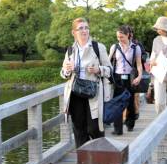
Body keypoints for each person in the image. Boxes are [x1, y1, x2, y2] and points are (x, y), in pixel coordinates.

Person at [60, 17, 111, 148]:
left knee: (95, 129)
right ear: (74, 32)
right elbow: (64, 74)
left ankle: (100, 160)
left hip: (93, 92)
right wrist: (67, 70)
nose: (84, 31)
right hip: (75, 93)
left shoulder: (98, 47)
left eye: (86, 27)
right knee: (79, 130)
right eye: (80, 28)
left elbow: (110, 70)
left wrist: (98, 69)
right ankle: (84, 163)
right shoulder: (70, 50)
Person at [109, 25, 142, 135]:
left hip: (130, 78)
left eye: (122, 37)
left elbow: (138, 64)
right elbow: (108, 63)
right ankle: (118, 129)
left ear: (128, 35)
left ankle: (130, 124)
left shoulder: (135, 48)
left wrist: (139, 76)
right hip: (118, 78)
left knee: (130, 101)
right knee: (117, 103)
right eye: (118, 37)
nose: (120, 39)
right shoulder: (114, 47)